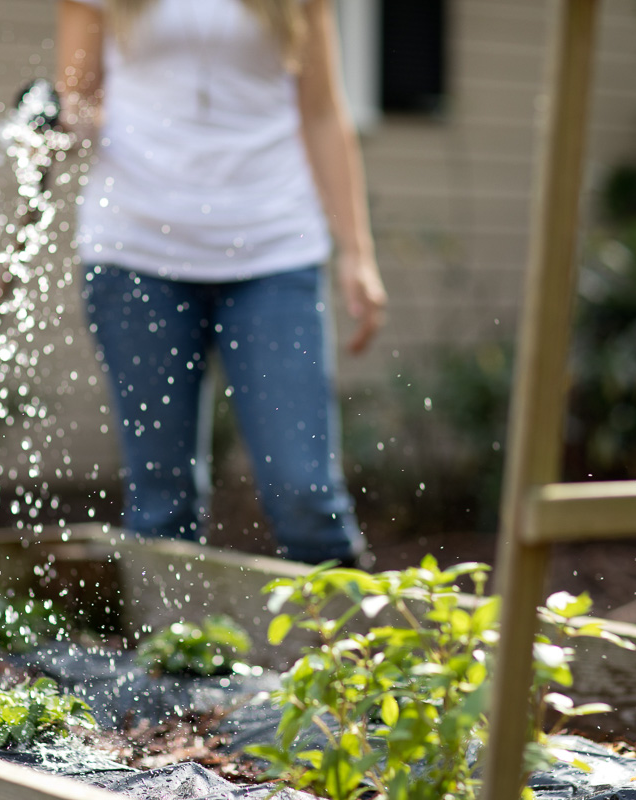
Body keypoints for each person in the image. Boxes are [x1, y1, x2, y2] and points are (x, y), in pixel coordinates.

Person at [55, 0, 386, 566]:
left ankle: (350, 650)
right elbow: (81, 99)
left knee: (305, 492)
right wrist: (57, 115)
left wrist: (357, 252)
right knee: (162, 500)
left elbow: (324, 112)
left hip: (273, 249)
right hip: (137, 251)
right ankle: (171, 651)